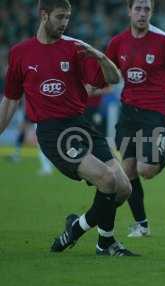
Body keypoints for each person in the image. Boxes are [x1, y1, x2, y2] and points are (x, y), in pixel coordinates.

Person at [0, 0, 137, 256]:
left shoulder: (75, 49)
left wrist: (100, 56)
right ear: (44, 15)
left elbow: (113, 78)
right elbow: (10, 100)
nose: (65, 23)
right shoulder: (20, 53)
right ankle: (105, 243)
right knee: (106, 179)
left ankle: (77, 227)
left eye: (68, 18)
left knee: (123, 188)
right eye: (60, 17)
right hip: (54, 133)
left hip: (81, 125)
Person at [106, 0, 165, 237]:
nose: (142, 14)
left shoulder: (164, 41)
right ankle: (142, 225)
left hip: (156, 113)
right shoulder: (117, 43)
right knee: (128, 171)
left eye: (147, 9)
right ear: (129, 11)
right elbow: (107, 75)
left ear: (151, 12)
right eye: (138, 9)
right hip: (128, 113)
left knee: (146, 170)